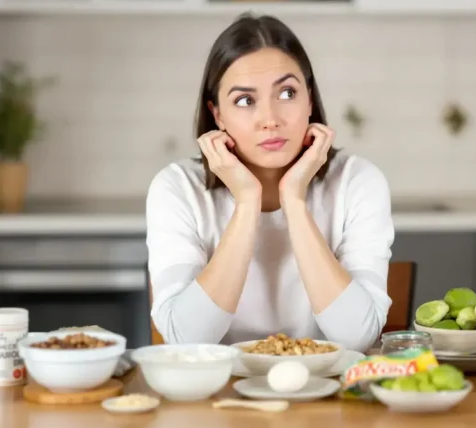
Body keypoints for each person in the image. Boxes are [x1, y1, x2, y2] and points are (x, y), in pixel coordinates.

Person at [146, 13, 394, 353]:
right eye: (245, 100)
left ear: (310, 99)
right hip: (221, 384)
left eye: (287, 93)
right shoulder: (177, 189)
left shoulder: (358, 182)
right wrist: (247, 202)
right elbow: (186, 339)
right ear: (217, 114)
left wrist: (294, 201)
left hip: (327, 385)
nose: (270, 119)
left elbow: (356, 336)